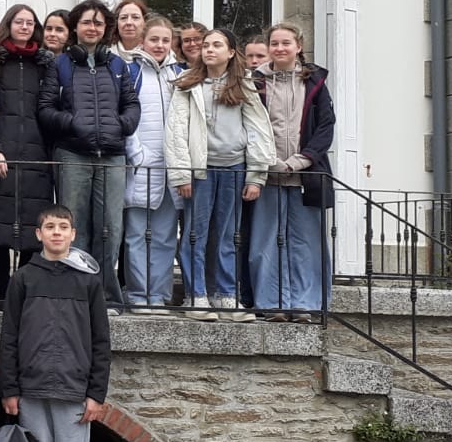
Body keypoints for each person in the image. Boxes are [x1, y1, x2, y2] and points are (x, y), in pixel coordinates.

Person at [0, 204, 110, 442]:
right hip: (31, 390)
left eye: (63, 227)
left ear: (73, 234)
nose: (57, 233)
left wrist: (97, 393)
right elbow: (9, 337)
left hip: (74, 393)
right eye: (50, 226)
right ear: (39, 234)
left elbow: (101, 342)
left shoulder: (89, 281)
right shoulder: (24, 278)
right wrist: (9, 388)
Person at [165, 29, 274, 320]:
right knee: (194, 235)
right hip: (200, 172)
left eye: (217, 45)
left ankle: (226, 296)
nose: (209, 50)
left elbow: (258, 130)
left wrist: (256, 175)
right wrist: (181, 175)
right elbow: (175, 131)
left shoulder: (245, 86)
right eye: (206, 45)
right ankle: (196, 296)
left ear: (230, 52)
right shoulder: (187, 85)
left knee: (228, 236)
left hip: (234, 169)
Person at [38, 0, 138, 309]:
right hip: (73, 154)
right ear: (75, 28)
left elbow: (132, 106)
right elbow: (45, 109)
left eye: (97, 23)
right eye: (86, 22)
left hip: (112, 156)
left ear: (105, 29)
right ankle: (73, 291)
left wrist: (120, 126)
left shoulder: (118, 66)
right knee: (73, 225)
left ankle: (106, 295)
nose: (92, 28)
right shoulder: (61, 65)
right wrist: (74, 124)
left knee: (110, 227)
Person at [248, 22, 336, 322]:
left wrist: (301, 160)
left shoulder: (316, 83)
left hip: (306, 176)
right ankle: (271, 304)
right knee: (264, 243)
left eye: (286, 43)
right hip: (267, 175)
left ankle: (305, 305)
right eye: (275, 43)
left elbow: (325, 128)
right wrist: (267, 160)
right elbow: (248, 125)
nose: (280, 48)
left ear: (299, 46)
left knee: (306, 244)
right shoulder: (255, 82)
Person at [0, 4, 58, 304]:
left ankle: (22, 290)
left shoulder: (46, 64)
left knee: (33, 226)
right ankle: (0, 288)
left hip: (37, 154)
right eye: (19, 22)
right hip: (2, 152)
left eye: (30, 23)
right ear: (8, 25)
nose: (24, 27)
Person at [122, 16, 183, 313]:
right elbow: (124, 116)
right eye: (154, 39)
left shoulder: (181, 74)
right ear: (143, 41)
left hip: (172, 169)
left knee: (164, 237)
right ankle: (137, 294)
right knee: (136, 235)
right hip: (141, 167)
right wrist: (137, 154)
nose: (159, 45)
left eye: (165, 40)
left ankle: (158, 294)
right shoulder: (129, 71)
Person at [113, 0, 148, 64]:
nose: (129, 22)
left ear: (145, 22)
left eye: (135, 17)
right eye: (123, 18)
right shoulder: (105, 55)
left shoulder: (156, 53)